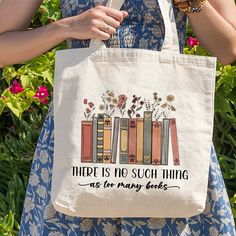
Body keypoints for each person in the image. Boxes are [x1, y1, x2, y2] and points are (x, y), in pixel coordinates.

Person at [0, 0, 236, 235]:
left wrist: (193, 3)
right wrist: (66, 28)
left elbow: (229, 49)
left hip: (162, 143)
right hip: (83, 141)